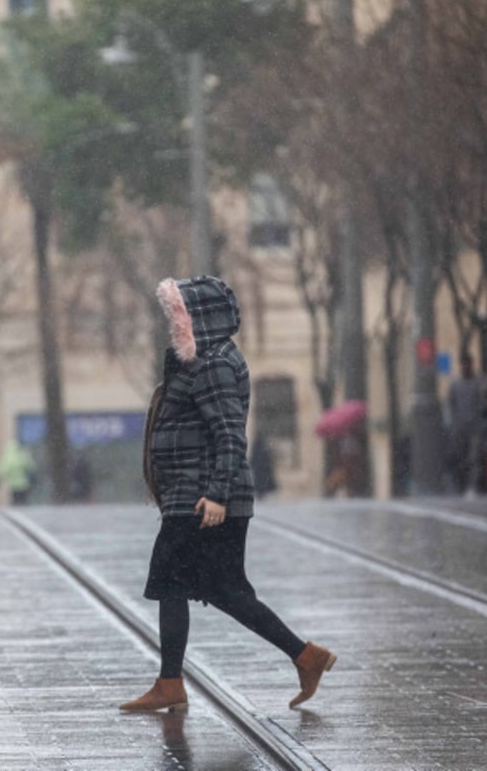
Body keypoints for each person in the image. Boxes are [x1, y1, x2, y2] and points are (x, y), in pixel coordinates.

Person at [122, 276, 335, 714]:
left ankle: (171, 681)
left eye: (179, 315)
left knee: (174, 582)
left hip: (206, 500)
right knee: (220, 590)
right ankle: (304, 656)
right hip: (193, 496)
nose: (174, 323)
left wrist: (217, 494)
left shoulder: (215, 363)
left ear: (200, 317)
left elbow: (229, 435)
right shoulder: (200, 360)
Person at [445, 352, 482, 494]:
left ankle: (473, 485)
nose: (466, 367)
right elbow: (450, 405)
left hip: (475, 427)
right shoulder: (455, 385)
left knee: (474, 457)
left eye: (468, 364)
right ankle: (461, 485)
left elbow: (480, 404)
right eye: (463, 364)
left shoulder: (477, 383)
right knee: (460, 458)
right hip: (459, 428)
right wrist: (452, 425)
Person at [0, 438, 36, 505]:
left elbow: (3, 469)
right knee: (22, 496)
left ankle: (17, 504)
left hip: (12, 482)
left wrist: (2, 477)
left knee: (15, 496)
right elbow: (31, 466)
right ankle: (22, 505)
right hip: (23, 481)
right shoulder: (22, 455)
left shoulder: (7, 457)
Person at [250, 432, 277, 500]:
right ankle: (262, 493)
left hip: (259, 471)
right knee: (262, 482)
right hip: (262, 470)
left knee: (260, 482)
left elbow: (253, 459)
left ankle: (261, 493)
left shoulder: (257, 449)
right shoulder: (263, 448)